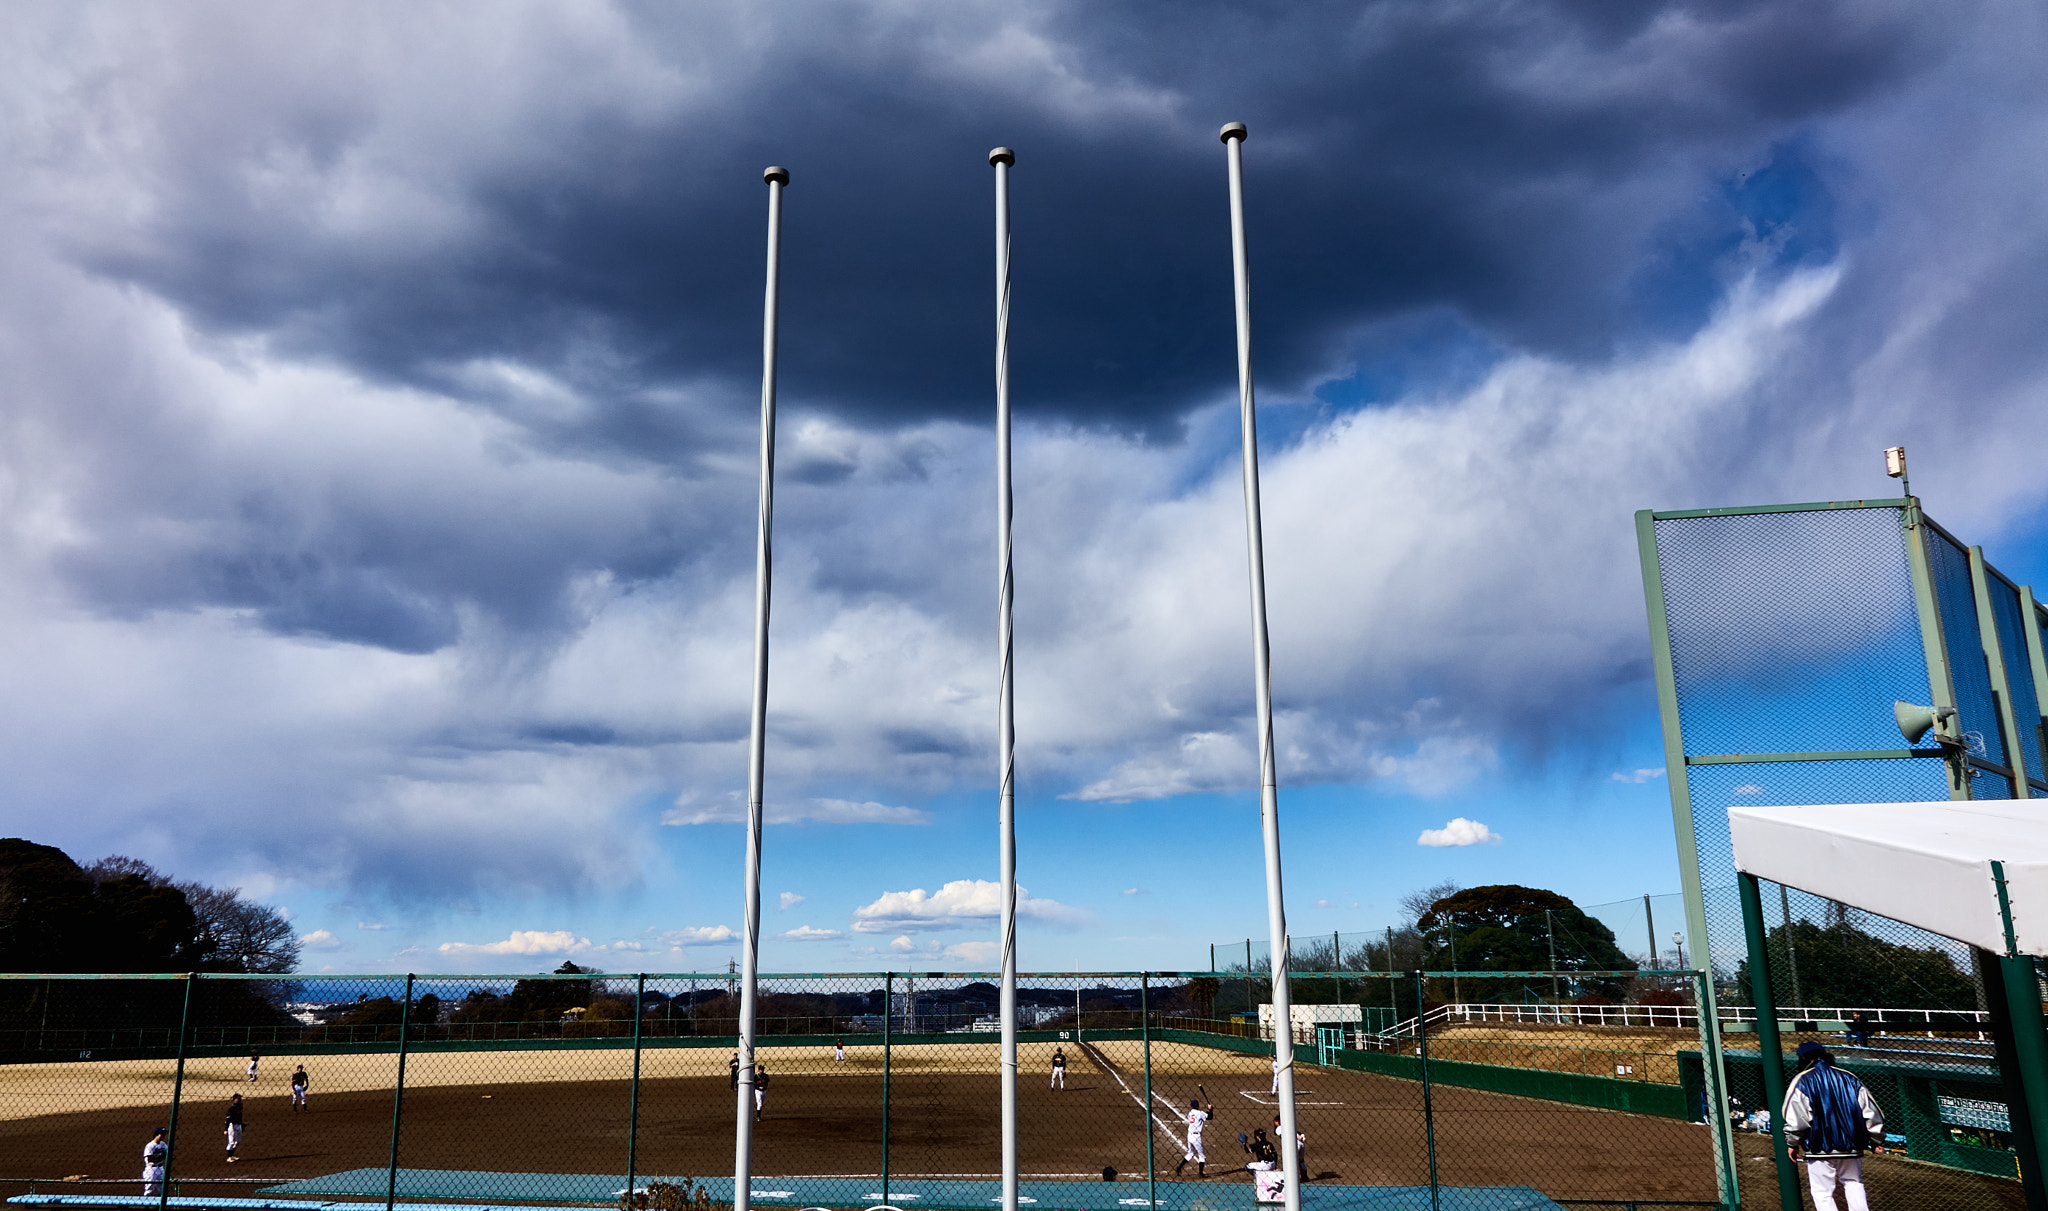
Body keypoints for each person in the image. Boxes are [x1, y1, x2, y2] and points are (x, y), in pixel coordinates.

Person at [1783, 1042, 1885, 1211]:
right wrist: (1876, 1139)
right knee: (1854, 1183)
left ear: (1803, 1058)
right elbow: (1871, 1111)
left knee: (1822, 1192)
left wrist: (1792, 1143)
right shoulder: (1849, 1077)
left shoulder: (1802, 1080)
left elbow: (1796, 1119)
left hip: (1818, 1146)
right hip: (1851, 1144)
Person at [1174, 1096, 1210, 1176]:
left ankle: (1179, 1167)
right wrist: (1210, 1109)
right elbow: (1210, 1117)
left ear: (1191, 1106)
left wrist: (1209, 1111)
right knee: (1202, 1155)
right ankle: (1200, 1173)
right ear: (1198, 1106)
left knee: (1191, 1152)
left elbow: (1205, 1115)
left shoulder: (1191, 1113)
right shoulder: (1200, 1113)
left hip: (1189, 1136)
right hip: (1196, 1137)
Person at [141, 1127, 168, 1195]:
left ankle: (159, 1205)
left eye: (164, 1134)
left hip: (160, 1168)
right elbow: (149, 1159)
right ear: (156, 1134)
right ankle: (146, 1205)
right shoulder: (150, 1146)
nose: (163, 1136)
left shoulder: (163, 1145)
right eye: (161, 1134)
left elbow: (167, 1155)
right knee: (149, 1189)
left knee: (162, 1188)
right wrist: (161, 1157)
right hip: (151, 1169)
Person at [223, 1093, 245, 1163]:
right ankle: (229, 1157)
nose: (239, 1099)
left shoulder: (240, 1106)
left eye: (239, 1098)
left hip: (238, 1125)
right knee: (231, 1142)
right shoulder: (231, 1108)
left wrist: (241, 1124)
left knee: (237, 1141)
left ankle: (232, 1156)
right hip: (232, 1125)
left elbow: (239, 1117)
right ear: (234, 1099)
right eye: (237, 1098)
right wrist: (226, 1129)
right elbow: (228, 1119)